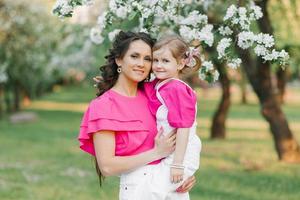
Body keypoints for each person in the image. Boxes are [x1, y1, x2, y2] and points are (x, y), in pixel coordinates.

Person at [78, 31, 196, 200]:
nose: (142, 64)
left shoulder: (155, 94)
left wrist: (183, 171)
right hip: (139, 188)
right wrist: (157, 153)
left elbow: (181, 128)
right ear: (119, 59)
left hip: (169, 182)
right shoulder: (103, 106)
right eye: (134, 56)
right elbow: (107, 167)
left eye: (148, 58)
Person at [135, 35, 202, 200]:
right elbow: (137, 87)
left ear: (180, 63)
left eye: (165, 61)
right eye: (155, 60)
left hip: (182, 152)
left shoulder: (177, 89)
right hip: (169, 150)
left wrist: (178, 164)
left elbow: (184, 127)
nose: (158, 66)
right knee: (173, 195)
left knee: (153, 191)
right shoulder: (159, 83)